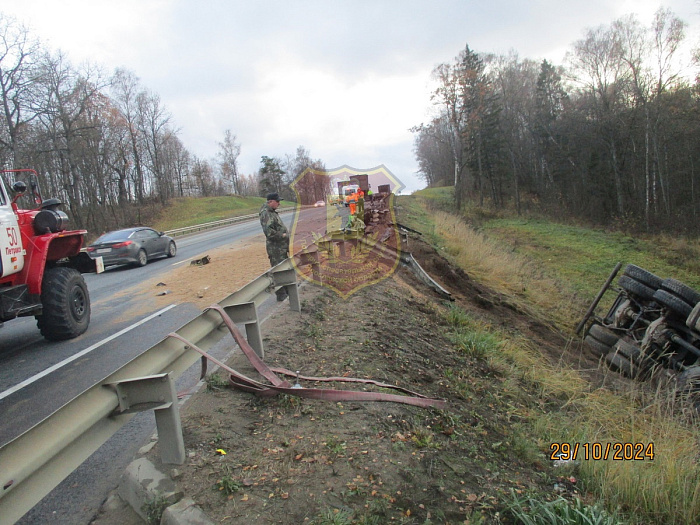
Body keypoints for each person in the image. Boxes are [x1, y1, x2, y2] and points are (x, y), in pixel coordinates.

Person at [259, 192, 289, 301]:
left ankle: (288, 289)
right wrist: (283, 235)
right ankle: (281, 294)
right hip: (275, 248)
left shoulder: (272, 212)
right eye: (277, 201)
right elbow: (269, 233)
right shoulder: (266, 213)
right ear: (270, 201)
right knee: (278, 271)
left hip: (281, 247)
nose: (279, 204)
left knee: (285, 269)